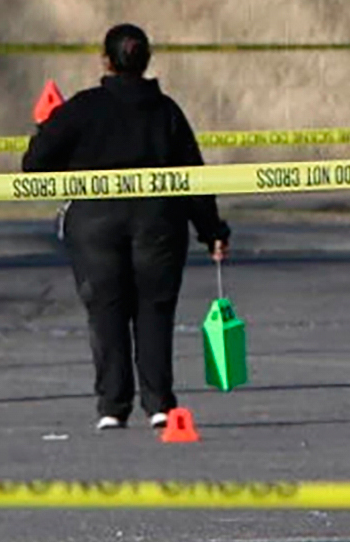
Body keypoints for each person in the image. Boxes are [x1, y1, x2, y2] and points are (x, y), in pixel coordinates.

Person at [22, 22, 230, 431]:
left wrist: (47, 124)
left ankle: (112, 407)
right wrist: (212, 231)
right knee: (154, 310)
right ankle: (159, 404)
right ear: (147, 60)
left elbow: (34, 165)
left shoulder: (81, 108)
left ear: (106, 60)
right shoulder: (167, 111)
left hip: (94, 224)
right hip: (160, 222)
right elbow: (192, 175)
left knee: (106, 312)